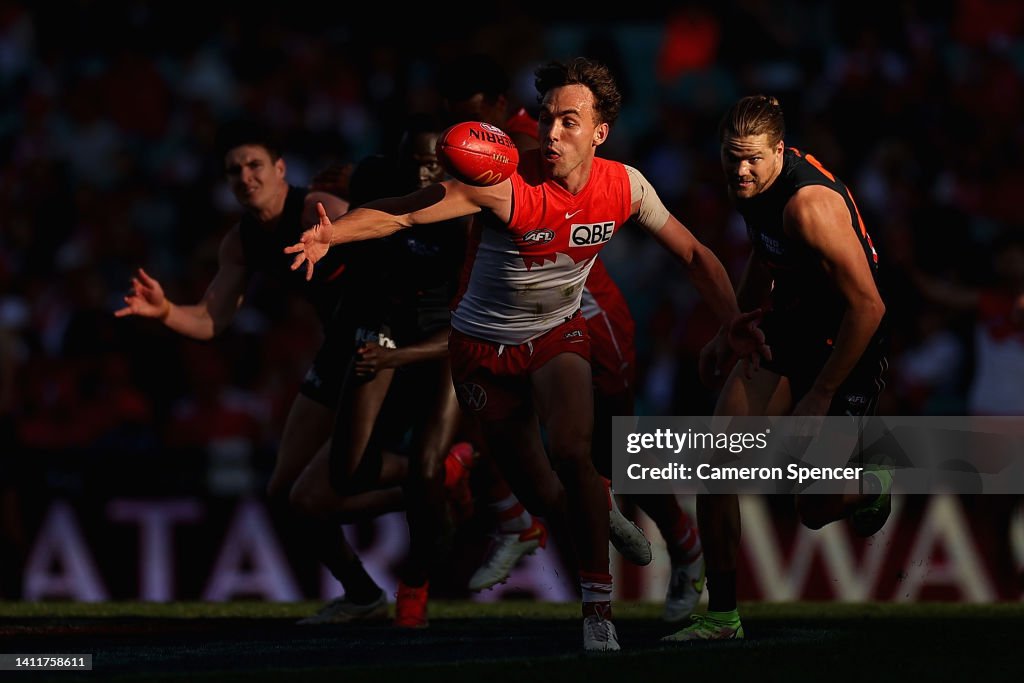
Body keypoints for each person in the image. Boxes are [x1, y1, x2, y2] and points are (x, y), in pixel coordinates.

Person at [287, 58, 767, 652]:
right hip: (481, 350)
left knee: (575, 448)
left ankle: (598, 612)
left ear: (600, 132)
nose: (553, 132)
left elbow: (695, 255)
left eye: (570, 121)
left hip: (558, 336)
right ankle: (602, 513)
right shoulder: (505, 184)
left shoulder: (626, 185)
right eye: (546, 119)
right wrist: (331, 233)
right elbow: (405, 209)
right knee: (546, 496)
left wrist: (732, 324)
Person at [114, 124, 455, 625]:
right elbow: (212, 320)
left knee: (318, 492)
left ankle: (432, 485)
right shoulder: (242, 240)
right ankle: (367, 586)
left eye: (254, 165)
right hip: (336, 351)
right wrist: (166, 312)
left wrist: (393, 340)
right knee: (286, 496)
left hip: (372, 346)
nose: (245, 177)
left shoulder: (319, 210)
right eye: (234, 171)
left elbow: (389, 255)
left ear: (280, 169)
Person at [439, 54, 705, 620]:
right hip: (499, 318)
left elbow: (679, 245)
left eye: (466, 117)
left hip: (584, 307)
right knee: (523, 444)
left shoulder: (519, 142)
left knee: (613, 448)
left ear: (490, 108)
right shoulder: (486, 147)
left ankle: (683, 546)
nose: (459, 133)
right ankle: (527, 514)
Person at [664, 95, 891, 642]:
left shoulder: (808, 208)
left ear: (780, 152)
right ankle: (722, 616)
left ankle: (872, 484)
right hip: (789, 329)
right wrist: (732, 327)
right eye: (731, 157)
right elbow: (766, 253)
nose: (739, 170)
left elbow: (870, 307)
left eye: (751, 160)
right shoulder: (754, 183)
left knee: (811, 507)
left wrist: (820, 394)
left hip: (847, 344)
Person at [287, 115, 471, 629]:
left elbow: (468, 330)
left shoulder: (473, 208)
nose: (422, 174)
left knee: (426, 467)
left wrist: (395, 358)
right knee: (347, 476)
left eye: (433, 164)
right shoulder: (373, 179)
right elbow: (349, 197)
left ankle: (414, 587)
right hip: (383, 328)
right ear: (394, 162)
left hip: (441, 341)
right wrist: (329, 231)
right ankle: (440, 478)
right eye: (413, 163)